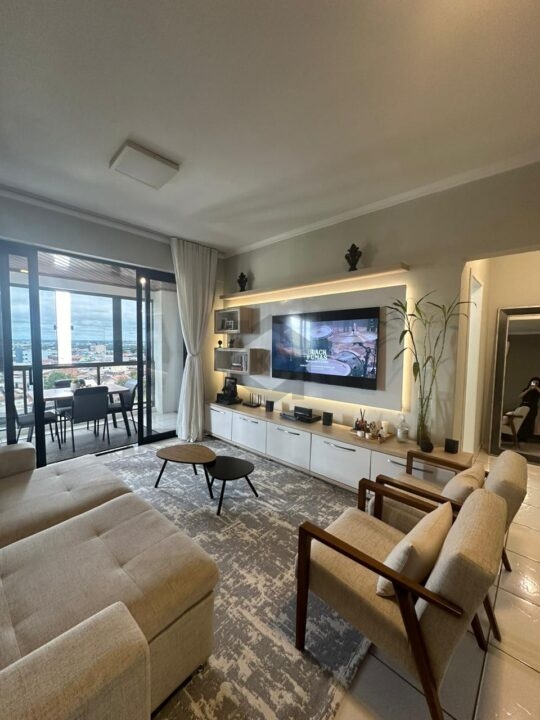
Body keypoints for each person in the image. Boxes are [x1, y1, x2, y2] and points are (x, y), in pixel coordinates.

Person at [517, 376, 540, 442]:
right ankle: (519, 436)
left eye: (536, 382)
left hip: (532, 407)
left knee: (529, 422)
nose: (534, 383)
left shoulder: (537, 390)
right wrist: (528, 389)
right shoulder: (526, 389)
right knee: (521, 421)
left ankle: (525, 437)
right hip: (524, 406)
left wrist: (536, 388)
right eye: (533, 382)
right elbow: (520, 396)